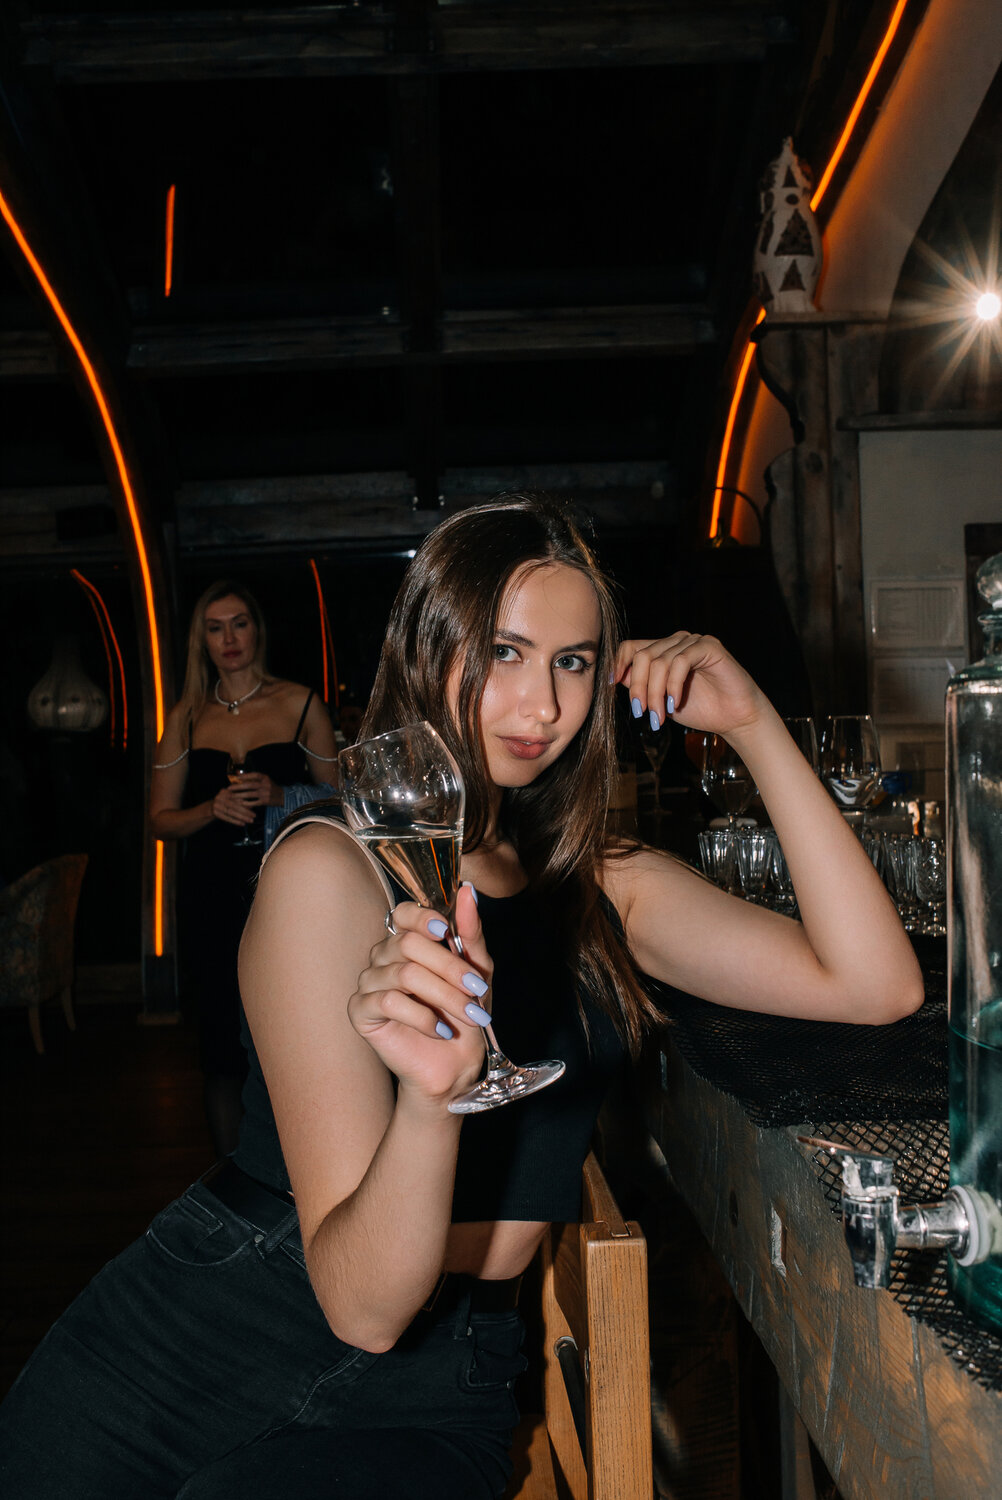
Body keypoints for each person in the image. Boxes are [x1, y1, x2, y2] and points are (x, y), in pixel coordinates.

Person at [0, 497, 922, 1498]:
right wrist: (431, 1102)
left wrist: (753, 724)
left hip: (442, 1383)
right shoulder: (330, 872)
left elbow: (875, 985)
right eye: (504, 653)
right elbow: (361, 1304)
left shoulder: (600, 883)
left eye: (574, 662)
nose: (542, 706)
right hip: (200, 1344)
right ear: (428, 649)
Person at [149, 579, 337, 1156]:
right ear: (201, 641)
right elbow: (159, 820)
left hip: (284, 890)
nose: (228, 638)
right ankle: (236, 1179)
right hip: (210, 895)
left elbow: (344, 803)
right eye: (215, 628)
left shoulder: (300, 703)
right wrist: (209, 809)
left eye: (239, 623)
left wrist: (283, 794)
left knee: (290, 1033)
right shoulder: (186, 717)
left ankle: (297, 1172)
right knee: (221, 1050)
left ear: (257, 629)